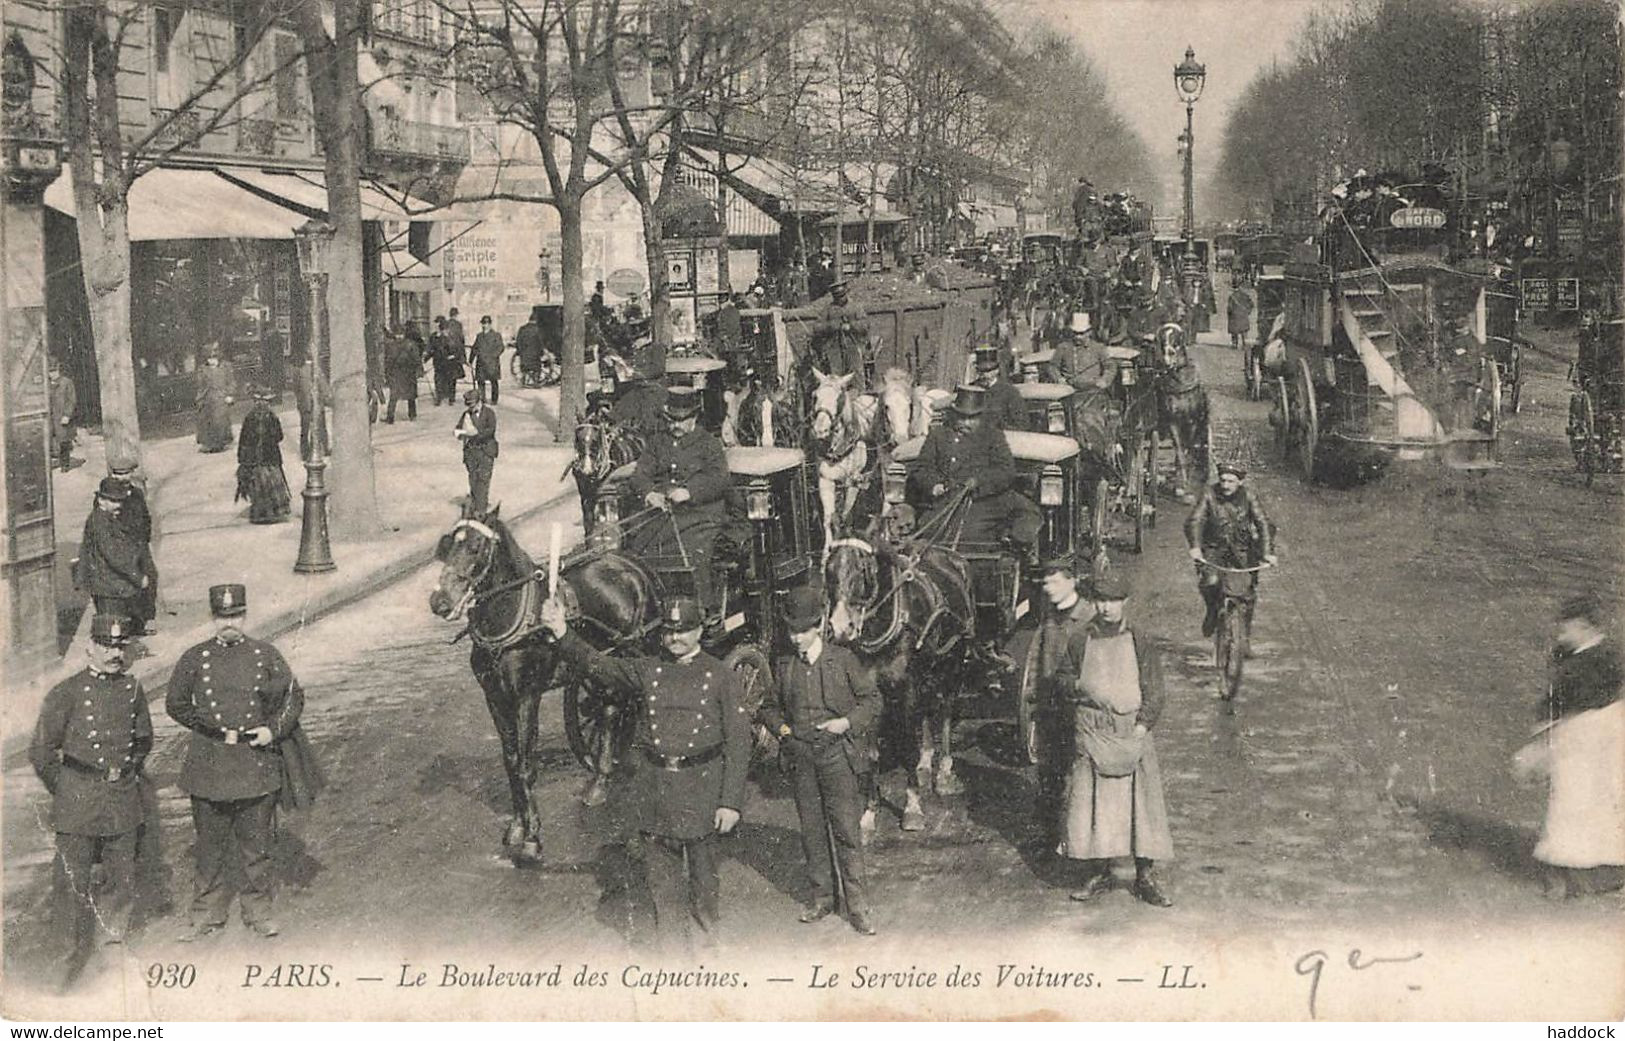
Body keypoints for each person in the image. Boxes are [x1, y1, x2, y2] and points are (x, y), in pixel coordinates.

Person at [538, 595, 748, 950]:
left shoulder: (721, 676)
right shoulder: (649, 670)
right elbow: (597, 665)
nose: (675, 638)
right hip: (655, 795)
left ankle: (710, 951)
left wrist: (730, 803)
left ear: (699, 631)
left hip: (701, 793)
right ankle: (673, 965)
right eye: (669, 631)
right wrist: (560, 630)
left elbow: (739, 743)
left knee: (704, 887)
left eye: (684, 631)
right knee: (663, 890)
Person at [166, 584, 309, 940]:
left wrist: (272, 731)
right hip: (210, 763)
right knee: (209, 847)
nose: (228, 623)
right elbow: (176, 703)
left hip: (254, 762)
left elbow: (294, 697)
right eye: (221, 617)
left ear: (244, 616)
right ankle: (205, 914)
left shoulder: (265, 655)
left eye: (234, 616)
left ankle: (258, 912)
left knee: (255, 847)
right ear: (212, 618)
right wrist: (206, 728)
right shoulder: (194, 658)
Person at [29, 614, 153, 983]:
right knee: (70, 885)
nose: (115, 653)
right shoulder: (66, 692)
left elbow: (143, 740)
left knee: (120, 880)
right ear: (90, 648)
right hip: (78, 802)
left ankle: (111, 954)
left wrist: (125, 771)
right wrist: (68, 788)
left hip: (121, 800)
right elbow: (41, 751)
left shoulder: (132, 690)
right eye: (107, 645)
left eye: (120, 646)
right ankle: (62, 963)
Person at [761, 586, 881, 936]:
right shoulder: (784, 666)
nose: (797, 638)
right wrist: (783, 730)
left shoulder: (843, 661)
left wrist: (845, 723)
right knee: (812, 832)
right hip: (802, 760)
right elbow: (768, 707)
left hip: (836, 759)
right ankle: (823, 898)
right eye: (792, 631)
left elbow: (871, 701)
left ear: (819, 627)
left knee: (845, 831)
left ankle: (858, 907)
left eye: (803, 631)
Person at [1056, 571, 1173, 907]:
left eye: (1113, 601)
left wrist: (1141, 727)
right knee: (1093, 803)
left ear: (1126, 603)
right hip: (1094, 732)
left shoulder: (1139, 640)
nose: (1106, 608)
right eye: (1101, 601)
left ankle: (1145, 875)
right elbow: (1064, 677)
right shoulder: (1081, 640)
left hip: (1129, 731)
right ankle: (1101, 871)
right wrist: (1077, 687)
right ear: (1094, 602)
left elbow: (1155, 689)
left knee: (1141, 805)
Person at [1513, 594, 1624, 900]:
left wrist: (1546, 727)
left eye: (1565, 629)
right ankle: (1581, 871)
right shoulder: (1578, 654)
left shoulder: (1600, 659)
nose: (1560, 636)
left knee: (1581, 798)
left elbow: (1574, 699)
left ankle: (1577, 873)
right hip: (1587, 730)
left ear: (1583, 626)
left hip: (1592, 732)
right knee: (1579, 798)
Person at [625, 387, 729, 613]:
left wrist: (689, 492)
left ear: (694, 418)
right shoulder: (656, 443)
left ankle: (704, 612)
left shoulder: (709, 444)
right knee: (639, 552)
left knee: (695, 556)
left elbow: (719, 480)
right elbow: (640, 475)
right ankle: (650, 609)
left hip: (700, 517)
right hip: (662, 517)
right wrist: (649, 493)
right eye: (671, 420)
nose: (675, 426)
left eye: (681, 421)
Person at [909, 385, 1040, 557]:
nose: (965, 423)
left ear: (981, 416)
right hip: (945, 500)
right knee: (931, 533)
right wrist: (934, 484)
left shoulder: (993, 436)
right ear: (954, 415)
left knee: (973, 535)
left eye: (971, 418)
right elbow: (923, 467)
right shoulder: (938, 435)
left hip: (983, 502)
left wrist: (978, 482)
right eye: (961, 417)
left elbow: (1005, 470)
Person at [1031, 556, 1097, 847]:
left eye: (1055, 581)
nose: (1048, 587)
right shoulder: (1050, 615)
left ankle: (1079, 839)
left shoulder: (1088, 618)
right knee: (1050, 772)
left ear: (1072, 582)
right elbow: (1038, 657)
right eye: (1046, 582)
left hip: (1078, 708)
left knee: (1080, 773)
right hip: (1050, 706)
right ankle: (1051, 837)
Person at [1183, 462, 1276, 638]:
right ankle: (1211, 612)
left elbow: (1263, 523)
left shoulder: (1249, 496)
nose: (1226, 486)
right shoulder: (1209, 494)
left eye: (1231, 481)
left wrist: (1267, 553)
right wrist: (1195, 547)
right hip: (1213, 549)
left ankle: (1245, 638)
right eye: (1223, 480)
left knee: (1247, 595)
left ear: (1240, 482)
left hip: (1242, 550)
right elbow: (1195, 520)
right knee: (1210, 582)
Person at [74, 479, 151, 627]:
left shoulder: (106, 518)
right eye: (114, 501)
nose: (119, 505)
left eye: (120, 501)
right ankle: (104, 649)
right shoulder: (100, 522)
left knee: (117, 626)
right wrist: (137, 577)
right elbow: (114, 555)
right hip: (108, 585)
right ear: (101, 500)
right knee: (111, 628)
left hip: (111, 583)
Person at [105, 449, 159, 633]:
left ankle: (148, 617)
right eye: (119, 474)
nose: (124, 477)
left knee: (150, 576)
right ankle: (131, 622)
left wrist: (145, 536)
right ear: (112, 474)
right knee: (128, 581)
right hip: (122, 547)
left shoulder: (136, 493)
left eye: (127, 473)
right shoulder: (108, 494)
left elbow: (145, 516)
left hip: (139, 544)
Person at [235, 386, 291, 524]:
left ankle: (260, 513)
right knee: (272, 483)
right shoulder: (271, 417)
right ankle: (274, 512)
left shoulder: (249, 417)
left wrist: (242, 458)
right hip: (270, 457)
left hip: (254, 459)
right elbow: (279, 436)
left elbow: (243, 439)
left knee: (258, 484)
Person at [807, 281, 870, 390]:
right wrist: (831, 326)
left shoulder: (855, 307)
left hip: (853, 345)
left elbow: (865, 324)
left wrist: (851, 326)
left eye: (842, 295)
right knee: (835, 375)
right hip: (834, 347)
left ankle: (859, 394)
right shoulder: (828, 310)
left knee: (856, 374)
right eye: (837, 297)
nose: (840, 299)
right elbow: (817, 327)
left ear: (846, 293)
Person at [455, 389, 498, 513]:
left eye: (472, 404)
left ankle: (481, 508)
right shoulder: (466, 415)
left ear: (478, 402)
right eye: (468, 404)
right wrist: (460, 433)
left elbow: (491, 430)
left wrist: (475, 434)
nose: (470, 406)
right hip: (471, 452)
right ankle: (476, 504)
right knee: (473, 479)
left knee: (483, 480)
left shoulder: (489, 413)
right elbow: (458, 429)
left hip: (486, 451)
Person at [610, 353, 670, 440]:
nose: (635, 343)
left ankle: (615, 418)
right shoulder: (639, 352)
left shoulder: (656, 348)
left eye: (638, 340)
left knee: (639, 400)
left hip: (654, 389)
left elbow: (658, 369)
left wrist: (634, 372)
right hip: (641, 388)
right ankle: (614, 418)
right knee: (630, 399)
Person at [194, 344, 236, 453]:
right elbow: (200, 386)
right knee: (206, 421)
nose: (212, 360)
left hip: (221, 397)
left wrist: (230, 395)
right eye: (209, 358)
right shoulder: (202, 369)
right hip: (208, 398)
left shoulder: (226, 367)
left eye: (214, 358)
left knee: (220, 420)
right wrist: (200, 399)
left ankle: (221, 443)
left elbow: (231, 382)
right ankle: (208, 444)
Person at [974, 345, 1025, 431]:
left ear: (996, 370)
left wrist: (1000, 426)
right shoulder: (972, 389)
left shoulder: (1010, 392)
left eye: (988, 371)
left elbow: (1021, 425)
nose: (984, 375)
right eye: (981, 371)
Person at [290, 352, 330, 457]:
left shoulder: (300, 371)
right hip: (310, 403)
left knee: (309, 427)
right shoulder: (304, 371)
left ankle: (313, 450)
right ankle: (317, 449)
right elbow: (324, 386)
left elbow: (296, 389)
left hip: (310, 403)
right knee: (314, 426)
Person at [383, 324, 422, 423]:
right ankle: (405, 416)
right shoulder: (409, 344)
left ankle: (395, 416)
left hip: (403, 373)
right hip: (403, 373)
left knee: (400, 396)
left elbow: (417, 359)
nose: (399, 336)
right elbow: (387, 361)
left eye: (401, 334)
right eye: (398, 334)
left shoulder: (394, 345)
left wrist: (419, 369)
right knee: (404, 395)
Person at [427, 316, 463, 407]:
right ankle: (439, 398)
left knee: (451, 380)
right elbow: (432, 349)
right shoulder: (435, 337)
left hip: (450, 363)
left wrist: (454, 356)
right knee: (438, 380)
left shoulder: (453, 337)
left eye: (445, 329)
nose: (444, 332)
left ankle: (451, 398)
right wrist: (426, 358)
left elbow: (458, 349)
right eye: (442, 329)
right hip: (439, 362)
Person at [48, 362, 77, 472]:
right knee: (50, 441)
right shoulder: (47, 385)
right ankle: (50, 464)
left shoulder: (66, 382)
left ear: (58, 371)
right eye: (50, 372)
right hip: (50, 418)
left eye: (54, 371)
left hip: (62, 417)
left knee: (64, 441)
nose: (52, 374)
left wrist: (67, 415)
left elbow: (71, 400)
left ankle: (65, 464)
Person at [470, 315, 504, 404]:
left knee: (494, 382)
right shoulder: (479, 336)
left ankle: (494, 399)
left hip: (492, 363)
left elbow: (500, 348)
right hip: (481, 362)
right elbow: (474, 348)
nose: (485, 326)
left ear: (490, 324)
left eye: (487, 324)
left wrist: (493, 356)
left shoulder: (496, 335)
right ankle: (482, 398)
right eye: (483, 324)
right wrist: (470, 360)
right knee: (481, 381)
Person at [515, 306, 546, 385]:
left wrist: (519, 351)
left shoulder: (522, 329)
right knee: (536, 368)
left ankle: (524, 380)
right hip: (535, 355)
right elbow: (540, 342)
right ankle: (536, 381)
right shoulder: (538, 329)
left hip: (524, 355)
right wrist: (542, 352)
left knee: (525, 367)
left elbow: (518, 341)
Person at [1227, 285, 1254, 351]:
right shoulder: (1245, 295)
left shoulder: (1232, 296)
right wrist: (1248, 311)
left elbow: (1229, 307)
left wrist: (1229, 314)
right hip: (1244, 315)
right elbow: (1252, 304)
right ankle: (1245, 344)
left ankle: (1234, 344)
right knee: (1244, 332)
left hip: (1234, 316)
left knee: (1234, 332)